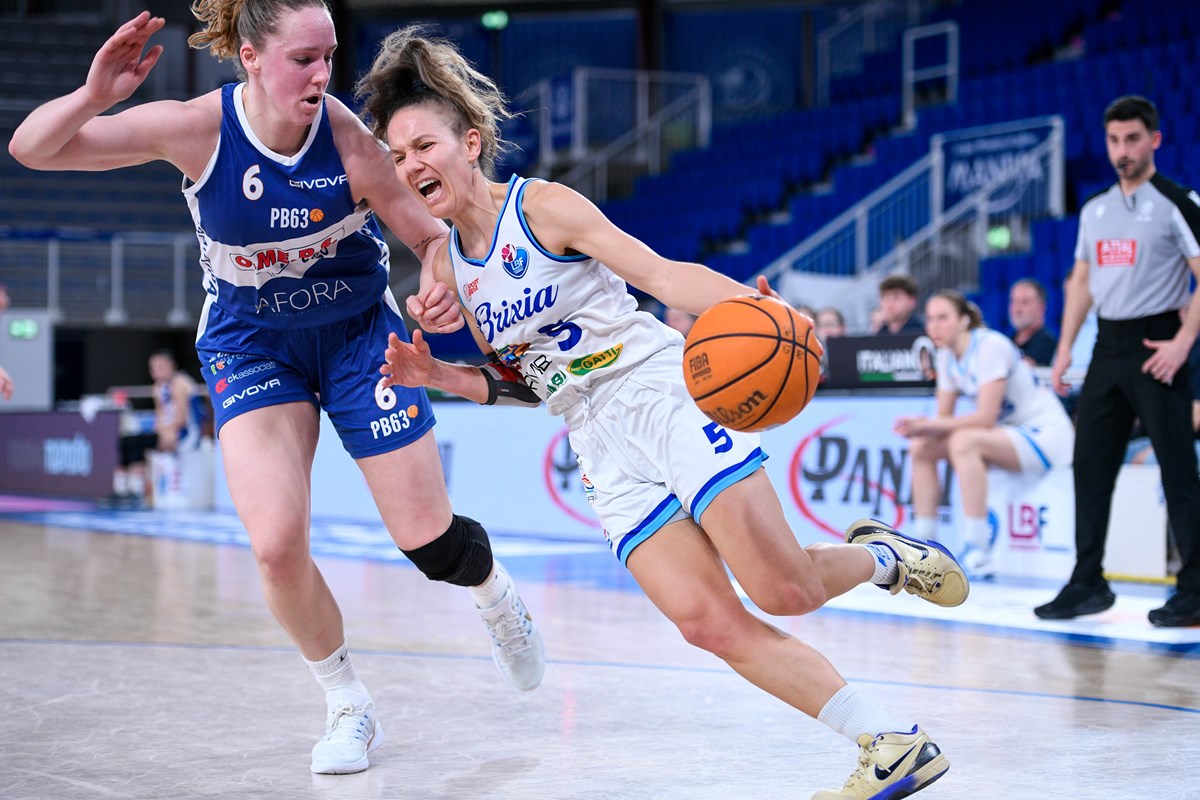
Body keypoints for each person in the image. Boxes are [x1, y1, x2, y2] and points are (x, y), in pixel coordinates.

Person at [359, 27, 968, 799]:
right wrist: (438, 375)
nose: (410, 165)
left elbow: (663, 276)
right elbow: (527, 385)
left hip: (657, 393)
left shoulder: (542, 207)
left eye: (423, 145)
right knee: (704, 622)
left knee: (784, 591)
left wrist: (766, 311)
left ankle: (884, 558)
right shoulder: (444, 268)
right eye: (397, 155)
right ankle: (891, 744)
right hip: (594, 440)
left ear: (470, 144)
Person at [8, 3, 544, 775]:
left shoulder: (348, 141)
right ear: (252, 57)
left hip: (358, 337)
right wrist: (95, 95)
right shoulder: (197, 129)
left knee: (430, 542)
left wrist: (438, 286)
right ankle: (348, 703)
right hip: (252, 343)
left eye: (328, 56)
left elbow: (430, 237)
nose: (322, 74)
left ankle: (494, 593)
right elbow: (32, 149)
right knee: (275, 546)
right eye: (303, 59)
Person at [1036, 95, 1200, 627]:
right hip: (1107, 345)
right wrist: (1065, 347)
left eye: (1132, 139)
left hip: (1158, 343)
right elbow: (1082, 281)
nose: (1122, 150)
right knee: (1090, 465)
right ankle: (1087, 583)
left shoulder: (1176, 201)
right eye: (1113, 140)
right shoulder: (1095, 208)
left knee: (1177, 467)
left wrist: (1183, 341)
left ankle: (1195, 588)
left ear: (1154, 140)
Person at [895, 291, 1075, 578]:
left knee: (964, 441)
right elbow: (943, 419)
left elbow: (985, 418)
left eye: (943, 318)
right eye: (930, 319)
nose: (934, 326)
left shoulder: (990, 345)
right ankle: (923, 547)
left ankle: (977, 549)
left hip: (1045, 434)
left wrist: (929, 424)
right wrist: (924, 426)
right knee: (921, 446)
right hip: (1010, 434)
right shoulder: (945, 355)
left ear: (964, 320)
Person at [110, 349, 198, 508]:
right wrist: (160, 430)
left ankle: (137, 492)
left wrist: (165, 432)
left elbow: (182, 419)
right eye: (153, 368)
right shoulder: (158, 387)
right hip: (167, 431)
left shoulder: (180, 383)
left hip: (185, 433)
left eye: (161, 367)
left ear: (171, 366)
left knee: (138, 443)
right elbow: (160, 415)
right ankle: (121, 490)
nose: (157, 372)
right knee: (125, 441)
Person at [1008, 278, 1058, 366]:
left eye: (1025, 302)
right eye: (1014, 301)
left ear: (1041, 307)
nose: (1018, 309)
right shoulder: (1008, 342)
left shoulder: (1047, 343)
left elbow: (1024, 367)